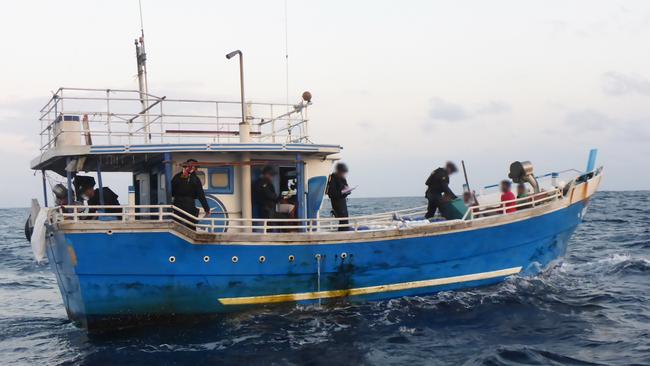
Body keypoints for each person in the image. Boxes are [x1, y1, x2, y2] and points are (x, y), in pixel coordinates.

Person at [171, 159, 211, 228]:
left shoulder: (176, 177)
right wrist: (207, 209)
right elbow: (201, 195)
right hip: (189, 205)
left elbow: (171, 192)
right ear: (194, 168)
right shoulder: (195, 179)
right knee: (191, 226)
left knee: (176, 226)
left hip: (177, 205)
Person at [327, 162, 351, 231]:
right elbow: (331, 193)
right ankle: (342, 232)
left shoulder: (343, 178)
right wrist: (341, 192)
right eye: (342, 172)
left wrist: (348, 191)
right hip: (336, 202)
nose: (343, 174)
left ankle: (344, 232)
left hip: (342, 201)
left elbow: (346, 187)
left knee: (345, 219)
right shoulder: (332, 177)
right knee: (342, 218)